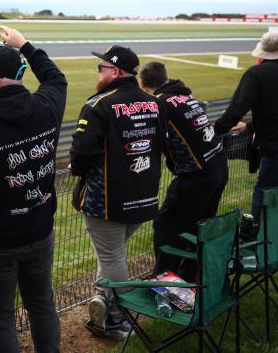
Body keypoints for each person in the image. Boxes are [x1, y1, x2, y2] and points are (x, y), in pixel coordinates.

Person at [0, 27, 67, 353]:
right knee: (42, 304)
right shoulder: (47, 105)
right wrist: (24, 45)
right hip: (40, 230)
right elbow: (55, 77)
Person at [69, 45, 166, 340]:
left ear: (114, 72)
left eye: (101, 68)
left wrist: (77, 169)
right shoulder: (154, 102)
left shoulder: (99, 104)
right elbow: (160, 143)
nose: (98, 73)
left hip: (107, 201)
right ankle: (103, 299)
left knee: (112, 258)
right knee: (113, 255)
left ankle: (117, 319)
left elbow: (82, 151)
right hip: (144, 196)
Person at [214, 30, 278, 266]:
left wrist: (214, 131)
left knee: (265, 192)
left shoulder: (257, 74)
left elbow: (236, 108)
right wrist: (250, 126)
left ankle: (256, 246)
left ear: (262, 54)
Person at [139, 61, 228, 281]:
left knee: (165, 226)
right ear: (166, 78)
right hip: (218, 166)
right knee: (200, 227)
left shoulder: (159, 103)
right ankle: (192, 277)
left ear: (142, 83)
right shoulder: (185, 96)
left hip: (196, 175)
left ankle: (166, 282)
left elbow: (152, 140)